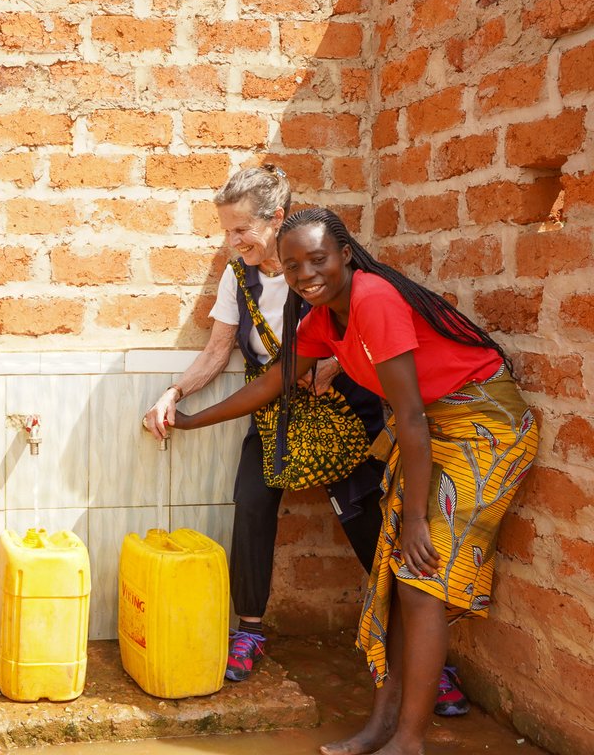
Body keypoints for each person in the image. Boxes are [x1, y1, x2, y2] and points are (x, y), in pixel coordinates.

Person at [170, 207, 538, 755]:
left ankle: (408, 739)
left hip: (483, 427)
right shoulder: (324, 318)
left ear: (345, 254)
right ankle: (381, 725)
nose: (304, 274)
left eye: (317, 259)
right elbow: (276, 381)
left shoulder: (374, 299)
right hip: (430, 429)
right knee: (394, 581)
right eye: (292, 266)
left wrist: (415, 519)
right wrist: (191, 418)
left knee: (419, 579)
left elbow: (409, 416)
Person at [142, 166, 469, 717]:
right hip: (273, 413)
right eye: (226, 232)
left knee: (366, 521)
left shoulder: (315, 269)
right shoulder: (237, 277)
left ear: (275, 220)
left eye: (241, 229)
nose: (233, 242)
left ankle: (422, 657)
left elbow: (360, 332)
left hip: (340, 413)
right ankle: (249, 629)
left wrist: (336, 366)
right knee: (250, 505)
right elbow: (218, 351)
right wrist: (175, 393)